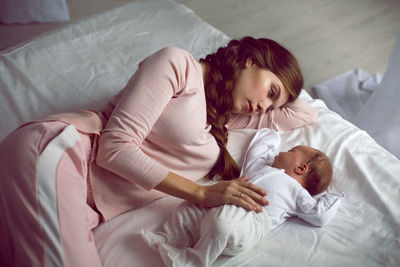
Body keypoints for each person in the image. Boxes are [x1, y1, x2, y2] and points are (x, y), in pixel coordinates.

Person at [0, 37, 318, 266]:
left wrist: (278, 90)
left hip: (89, 207)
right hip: (62, 154)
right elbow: (114, 149)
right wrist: (200, 193)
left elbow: (304, 114)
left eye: (272, 104)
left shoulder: (225, 117)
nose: (264, 106)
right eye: (270, 92)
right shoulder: (178, 64)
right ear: (252, 60)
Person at [141, 128, 344, 267]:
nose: (282, 151)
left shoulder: (296, 193)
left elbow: (319, 214)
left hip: (251, 220)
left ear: (300, 168)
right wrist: (273, 134)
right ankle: (169, 240)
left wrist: (335, 197)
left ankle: (193, 261)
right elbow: (259, 148)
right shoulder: (261, 167)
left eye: (291, 151)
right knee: (189, 207)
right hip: (226, 199)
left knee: (222, 224)